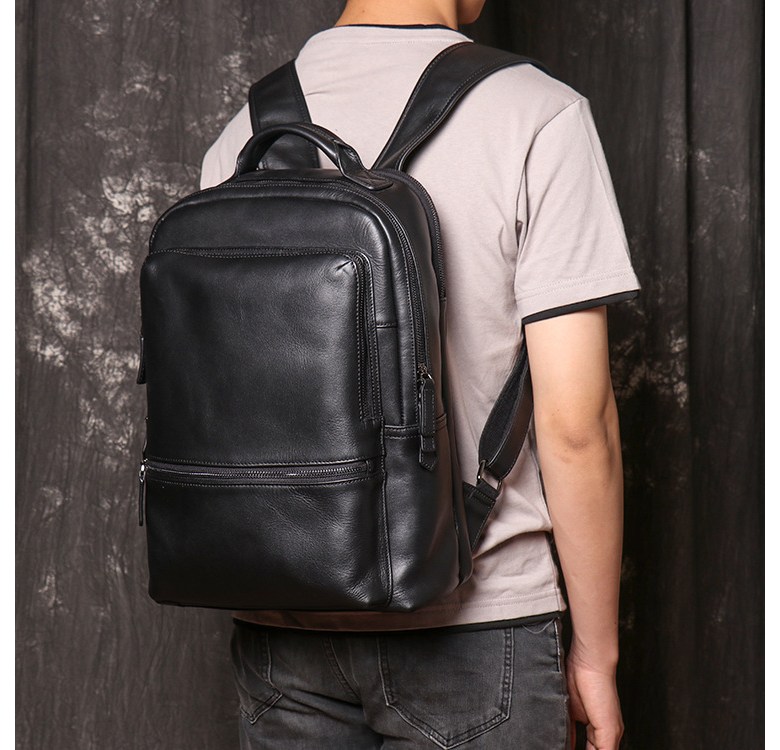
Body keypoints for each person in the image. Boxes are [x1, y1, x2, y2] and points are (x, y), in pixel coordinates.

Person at [200, 1, 640, 748]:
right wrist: (597, 655)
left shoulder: (243, 134)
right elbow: (576, 425)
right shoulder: (537, 114)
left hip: (282, 624)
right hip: (477, 625)